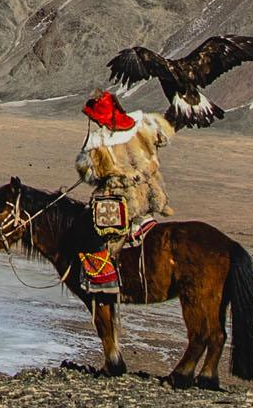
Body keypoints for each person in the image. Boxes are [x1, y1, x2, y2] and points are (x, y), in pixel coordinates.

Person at [69, 85, 211, 295]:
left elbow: (90, 175)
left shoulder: (99, 143)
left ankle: (104, 281)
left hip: (119, 204)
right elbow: (163, 136)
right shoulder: (144, 126)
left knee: (88, 235)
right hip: (148, 197)